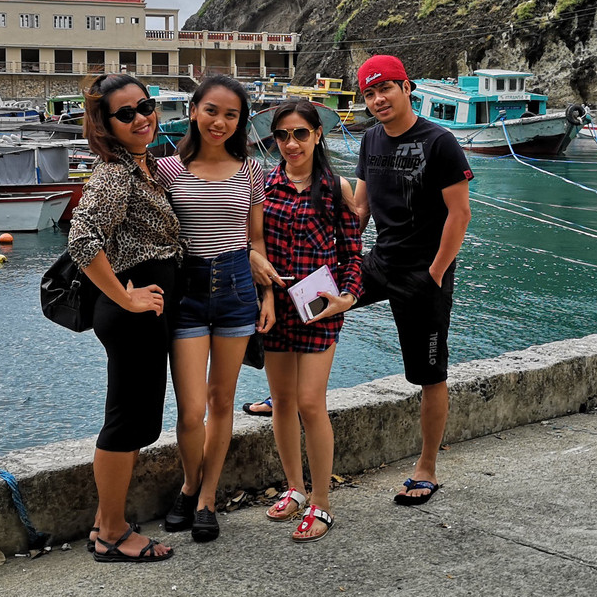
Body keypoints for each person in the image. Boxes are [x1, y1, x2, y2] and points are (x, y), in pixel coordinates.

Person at [156, 74, 275, 543]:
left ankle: (206, 498)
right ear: (193, 111)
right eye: (211, 111)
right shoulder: (166, 171)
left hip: (236, 292)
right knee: (190, 410)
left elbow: (258, 240)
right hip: (184, 292)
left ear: (241, 120)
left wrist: (266, 296)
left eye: (231, 114)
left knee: (222, 400)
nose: (220, 122)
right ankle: (188, 485)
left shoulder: (250, 172)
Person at [68, 73, 181, 563]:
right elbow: (82, 238)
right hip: (132, 312)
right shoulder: (115, 174)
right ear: (105, 124)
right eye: (126, 113)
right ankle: (112, 532)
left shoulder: (144, 166)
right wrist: (125, 297)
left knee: (137, 422)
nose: (141, 117)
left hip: (144, 312)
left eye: (146, 105)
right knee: (125, 423)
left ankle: (103, 524)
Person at [352, 55, 472, 505]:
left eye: (386, 88)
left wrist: (435, 274)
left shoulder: (439, 142)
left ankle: (426, 467)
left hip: (425, 273)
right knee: (309, 302)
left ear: (408, 88)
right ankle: (279, 394)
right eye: (369, 93)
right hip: (380, 261)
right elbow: (360, 210)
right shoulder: (370, 140)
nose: (378, 99)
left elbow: (460, 215)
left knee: (429, 374)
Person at [259, 100, 363, 542]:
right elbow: (255, 247)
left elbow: (353, 254)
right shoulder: (264, 186)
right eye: (283, 135)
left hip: (319, 307)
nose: (291, 143)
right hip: (277, 307)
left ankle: (322, 502)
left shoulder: (336, 187)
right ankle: (295, 489)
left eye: (300, 133)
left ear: (317, 135)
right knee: (280, 401)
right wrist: (264, 294)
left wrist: (347, 299)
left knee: (309, 402)